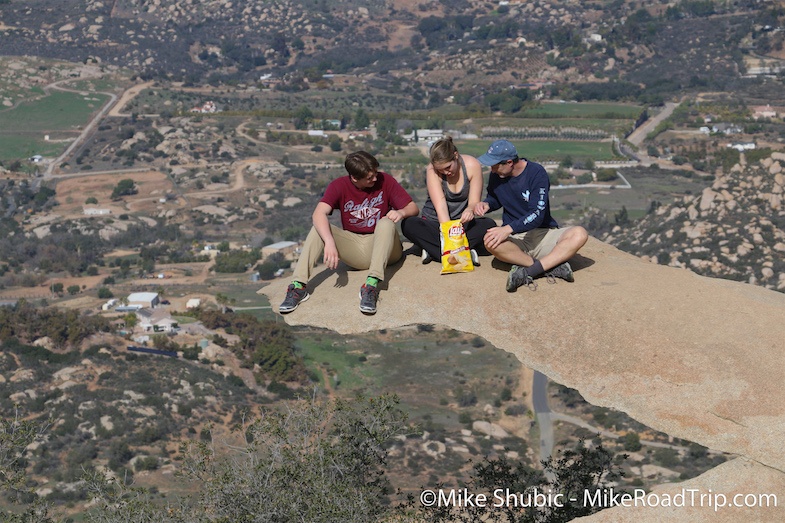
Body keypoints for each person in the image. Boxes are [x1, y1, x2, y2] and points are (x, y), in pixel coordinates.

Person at [279, 151, 419, 315]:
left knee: (385, 222)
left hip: (386, 249)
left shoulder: (385, 180)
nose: (374, 179)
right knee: (319, 228)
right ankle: (298, 286)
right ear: (354, 178)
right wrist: (329, 242)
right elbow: (318, 214)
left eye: (375, 173)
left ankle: (371, 285)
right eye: (369, 177)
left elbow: (413, 208)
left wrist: (401, 212)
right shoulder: (339, 186)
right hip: (356, 249)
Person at [473, 140, 588, 292]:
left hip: (542, 233)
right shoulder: (498, 175)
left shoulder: (536, 173)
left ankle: (529, 271)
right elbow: (495, 197)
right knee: (489, 242)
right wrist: (487, 204)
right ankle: (549, 266)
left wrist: (508, 228)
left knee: (580, 234)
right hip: (516, 240)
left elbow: (537, 213)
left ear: (509, 163)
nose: (492, 170)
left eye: (495, 165)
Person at [401, 137, 495, 265]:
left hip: (462, 224)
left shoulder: (472, 165)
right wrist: (449, 236)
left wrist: (469, 210)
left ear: (455, 156)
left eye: (448, 167)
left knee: (489, 225)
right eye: (440, 170)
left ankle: (433, 250)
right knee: (408, 224)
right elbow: (441, 208)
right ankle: (464, 251)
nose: (446, 172)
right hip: (437, 223)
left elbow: (474, 201)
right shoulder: (432, 171)